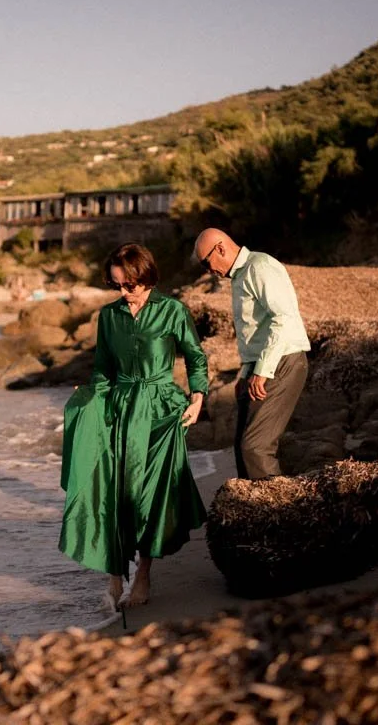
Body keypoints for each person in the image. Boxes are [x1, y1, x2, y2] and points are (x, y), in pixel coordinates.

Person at [59, 243, 208, 610]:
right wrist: (93, 396)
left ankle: (143, 573)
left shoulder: (172, 310)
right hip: (119, 409)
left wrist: (198, 396)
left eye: (129, 285)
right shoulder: (109, 316)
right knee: (112, 490)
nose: (124, 293)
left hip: (160, 411)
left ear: (146, 277)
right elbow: (103, 367)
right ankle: (114, 574)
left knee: (149, 496)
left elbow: (195, 356)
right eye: (116, 286)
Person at [192, 228, 310, 480]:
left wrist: (262, 371)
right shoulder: (239, 276)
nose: (207, 269)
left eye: (206, 262)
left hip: (283, 361)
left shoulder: (260, 267)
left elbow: (283, 318)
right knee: (242, 448)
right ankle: (249, 510)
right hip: (260, 365)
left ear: (220, 248)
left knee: (255, 448)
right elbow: (253, 334)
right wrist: (245, 374)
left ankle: (273, 513)